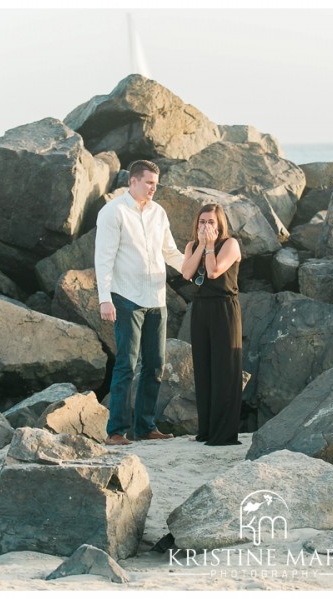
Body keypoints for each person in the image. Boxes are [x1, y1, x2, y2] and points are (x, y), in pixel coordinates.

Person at [94, 160, 184, 446]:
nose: (153, 189)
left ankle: (145, 427)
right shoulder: (113, 212)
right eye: (148, 183)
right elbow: (103, 258)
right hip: (126, 298)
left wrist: (197, 272)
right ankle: (116, 431)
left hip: (157, 298)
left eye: (156, 184)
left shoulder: (159, 212)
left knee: (155, 365)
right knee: (126, 364)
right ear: (132, 181)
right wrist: (104, 299)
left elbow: (170, 252)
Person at [181, 203, 243, 446]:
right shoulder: (191, 246)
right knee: (204, 369)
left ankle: (223, 434)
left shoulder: (230, 244)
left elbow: (214, 271)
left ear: (220, 225)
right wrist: (200, 246)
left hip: (224, 308)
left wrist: (208, 247)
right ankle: (206, 430)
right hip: (201, 309)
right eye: (202, 222)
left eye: (211, 222)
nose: (205, 226)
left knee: (224, 370)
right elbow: (187, 273)